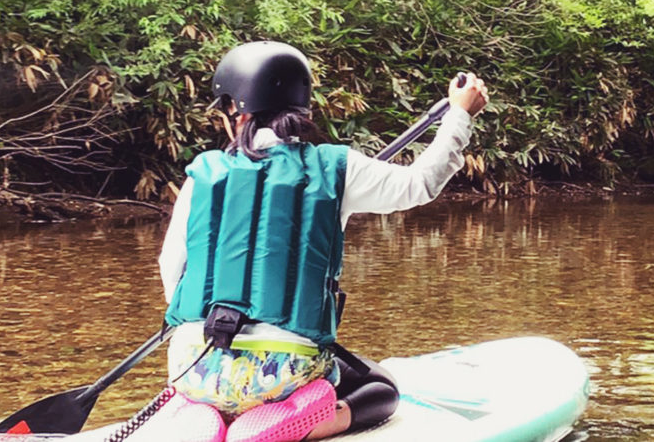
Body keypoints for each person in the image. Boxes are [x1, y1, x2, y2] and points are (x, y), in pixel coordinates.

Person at [156, 41, 489, 442]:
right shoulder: (337, 166)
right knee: (380, 389)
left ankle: (200, 409)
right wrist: (459, 115)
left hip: (193, 363)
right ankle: (290, 423)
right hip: (280, 374)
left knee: (210, 372)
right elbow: (421, 183)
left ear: (238, 111)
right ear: (302, 108)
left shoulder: (201, 174)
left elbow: (171, 268)